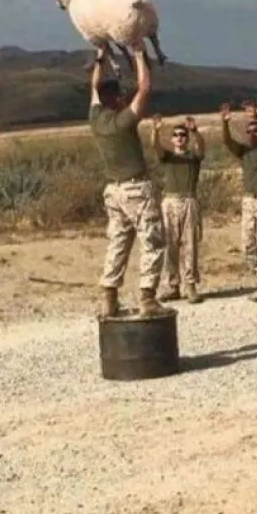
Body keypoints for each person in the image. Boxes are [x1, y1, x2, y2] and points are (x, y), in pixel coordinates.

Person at [88, 47, 165, 319]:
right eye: (121, 95)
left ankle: (109, 296)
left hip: (113, 191)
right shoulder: (123, 122)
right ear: (117, 98)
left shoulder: (95, 120)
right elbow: (144, 88)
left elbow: (94, 88)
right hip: (135, 189)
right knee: (153, 241)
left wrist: (100, 57)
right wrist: (141, 55)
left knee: (119, 241)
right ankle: (148, 297)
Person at [221, 100, 257, 302]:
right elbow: (228, 142)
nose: (254, 134)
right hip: (249, 200)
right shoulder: (245, 151)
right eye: (250, 131)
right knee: (248, 243)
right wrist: (225, 123)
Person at [152, 115, 205, 305]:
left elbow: (201, 146)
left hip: (189, 200)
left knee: (190, 244)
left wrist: (195, 131)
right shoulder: (168, 156)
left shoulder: (193, 157)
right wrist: (156, 131)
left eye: (183, 135)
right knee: (170, 246)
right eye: (176, 135)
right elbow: (155, 148)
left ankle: (190, 284)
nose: (180, 137)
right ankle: (173, 285)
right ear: (172, 139)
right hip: (170, 202)